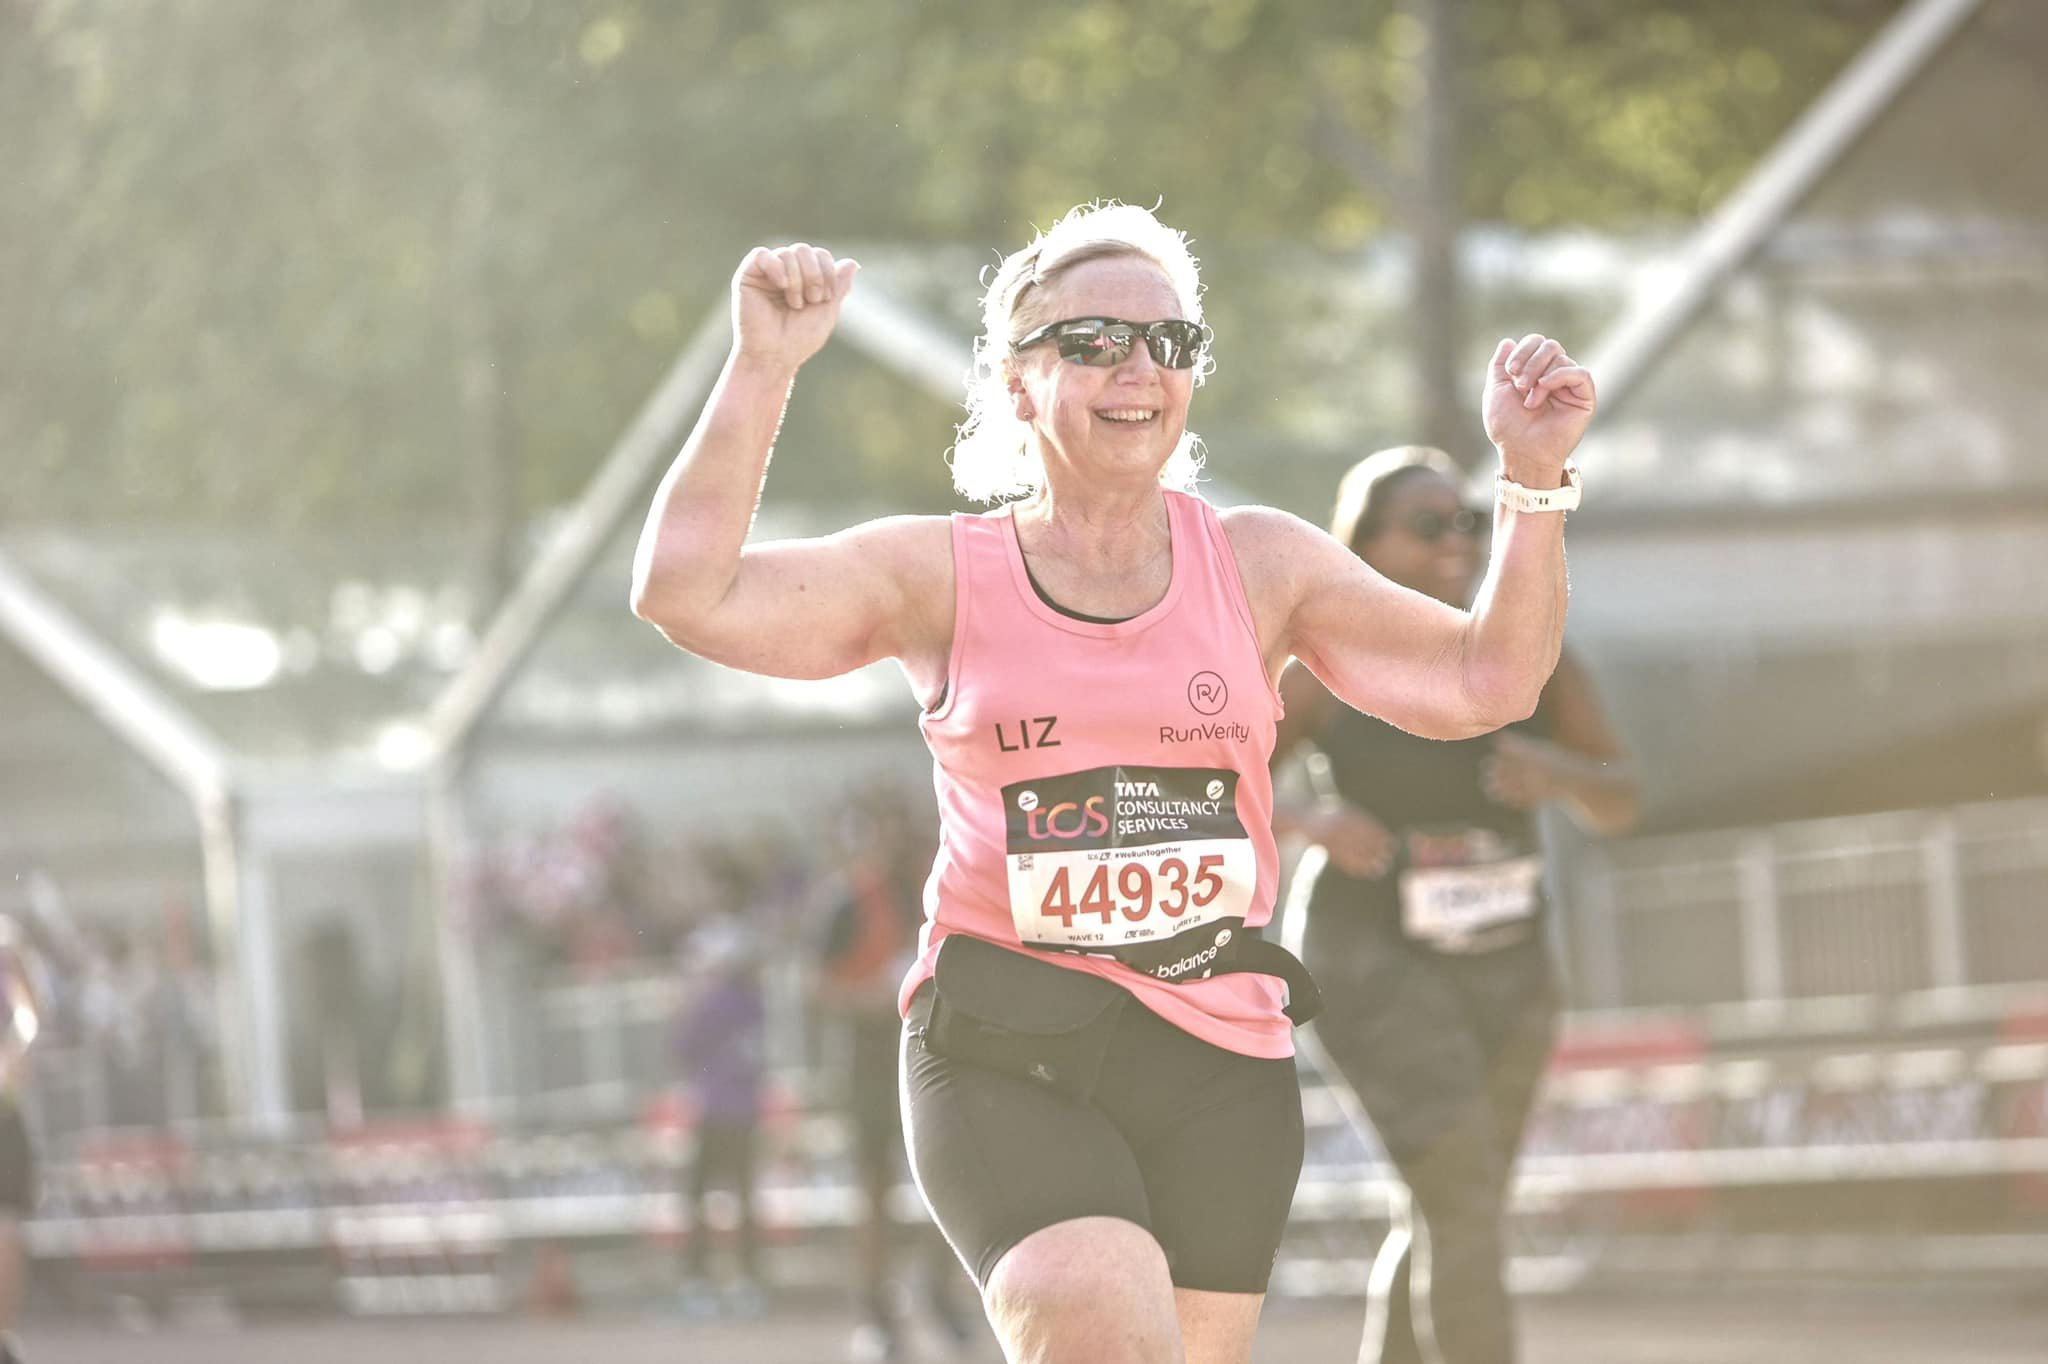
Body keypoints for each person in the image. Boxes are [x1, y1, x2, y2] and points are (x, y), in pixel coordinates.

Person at [631, 200, 1596, 1364]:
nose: (1136, 366)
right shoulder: (937, 574)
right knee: (1098, 1315)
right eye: (1091, 340)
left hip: (1217, 1064)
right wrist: (763, 365)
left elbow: (1487, 679)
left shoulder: (1260, 564)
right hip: (1004, 1039)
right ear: (1015, 381)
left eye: (1168, 342)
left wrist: (1533, 483)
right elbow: (686, 591)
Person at [1274, 445, 1640, 1364]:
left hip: (1509, 967)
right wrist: (1315, 817)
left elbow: (1623, 798)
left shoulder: (1535, 653)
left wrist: (1555, 774)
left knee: (1452, 1206)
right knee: (1462, 1201)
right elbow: (1218, 790)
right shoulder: (1322, 666)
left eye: (1470, 522)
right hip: (1368, 962)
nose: (1457, 542)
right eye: (1427, 524)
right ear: (1362, 544)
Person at [814, 787, 976, 1361]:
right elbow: (818, 989)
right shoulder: (846, 903)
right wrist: (874, 994)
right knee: (875, 1192)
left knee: (952, 1184)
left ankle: (938, 1291)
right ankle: (877, 1312)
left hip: (933, 1054)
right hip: (868, 1065)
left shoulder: (932, 891)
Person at [673, 915, 769, 1317]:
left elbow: (681, 1048)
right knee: (743, 1198)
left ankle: (698, 1284)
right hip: (744, 1111)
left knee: (697, 1198)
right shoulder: (753, 1003)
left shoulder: (708, 1002)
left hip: (711, 1110)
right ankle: (747, 1282)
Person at [0, 916, 43, 1364]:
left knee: (7, 1227)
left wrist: (17, 1051)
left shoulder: (4, 943)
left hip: (2, 1111)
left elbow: (29, 1013)